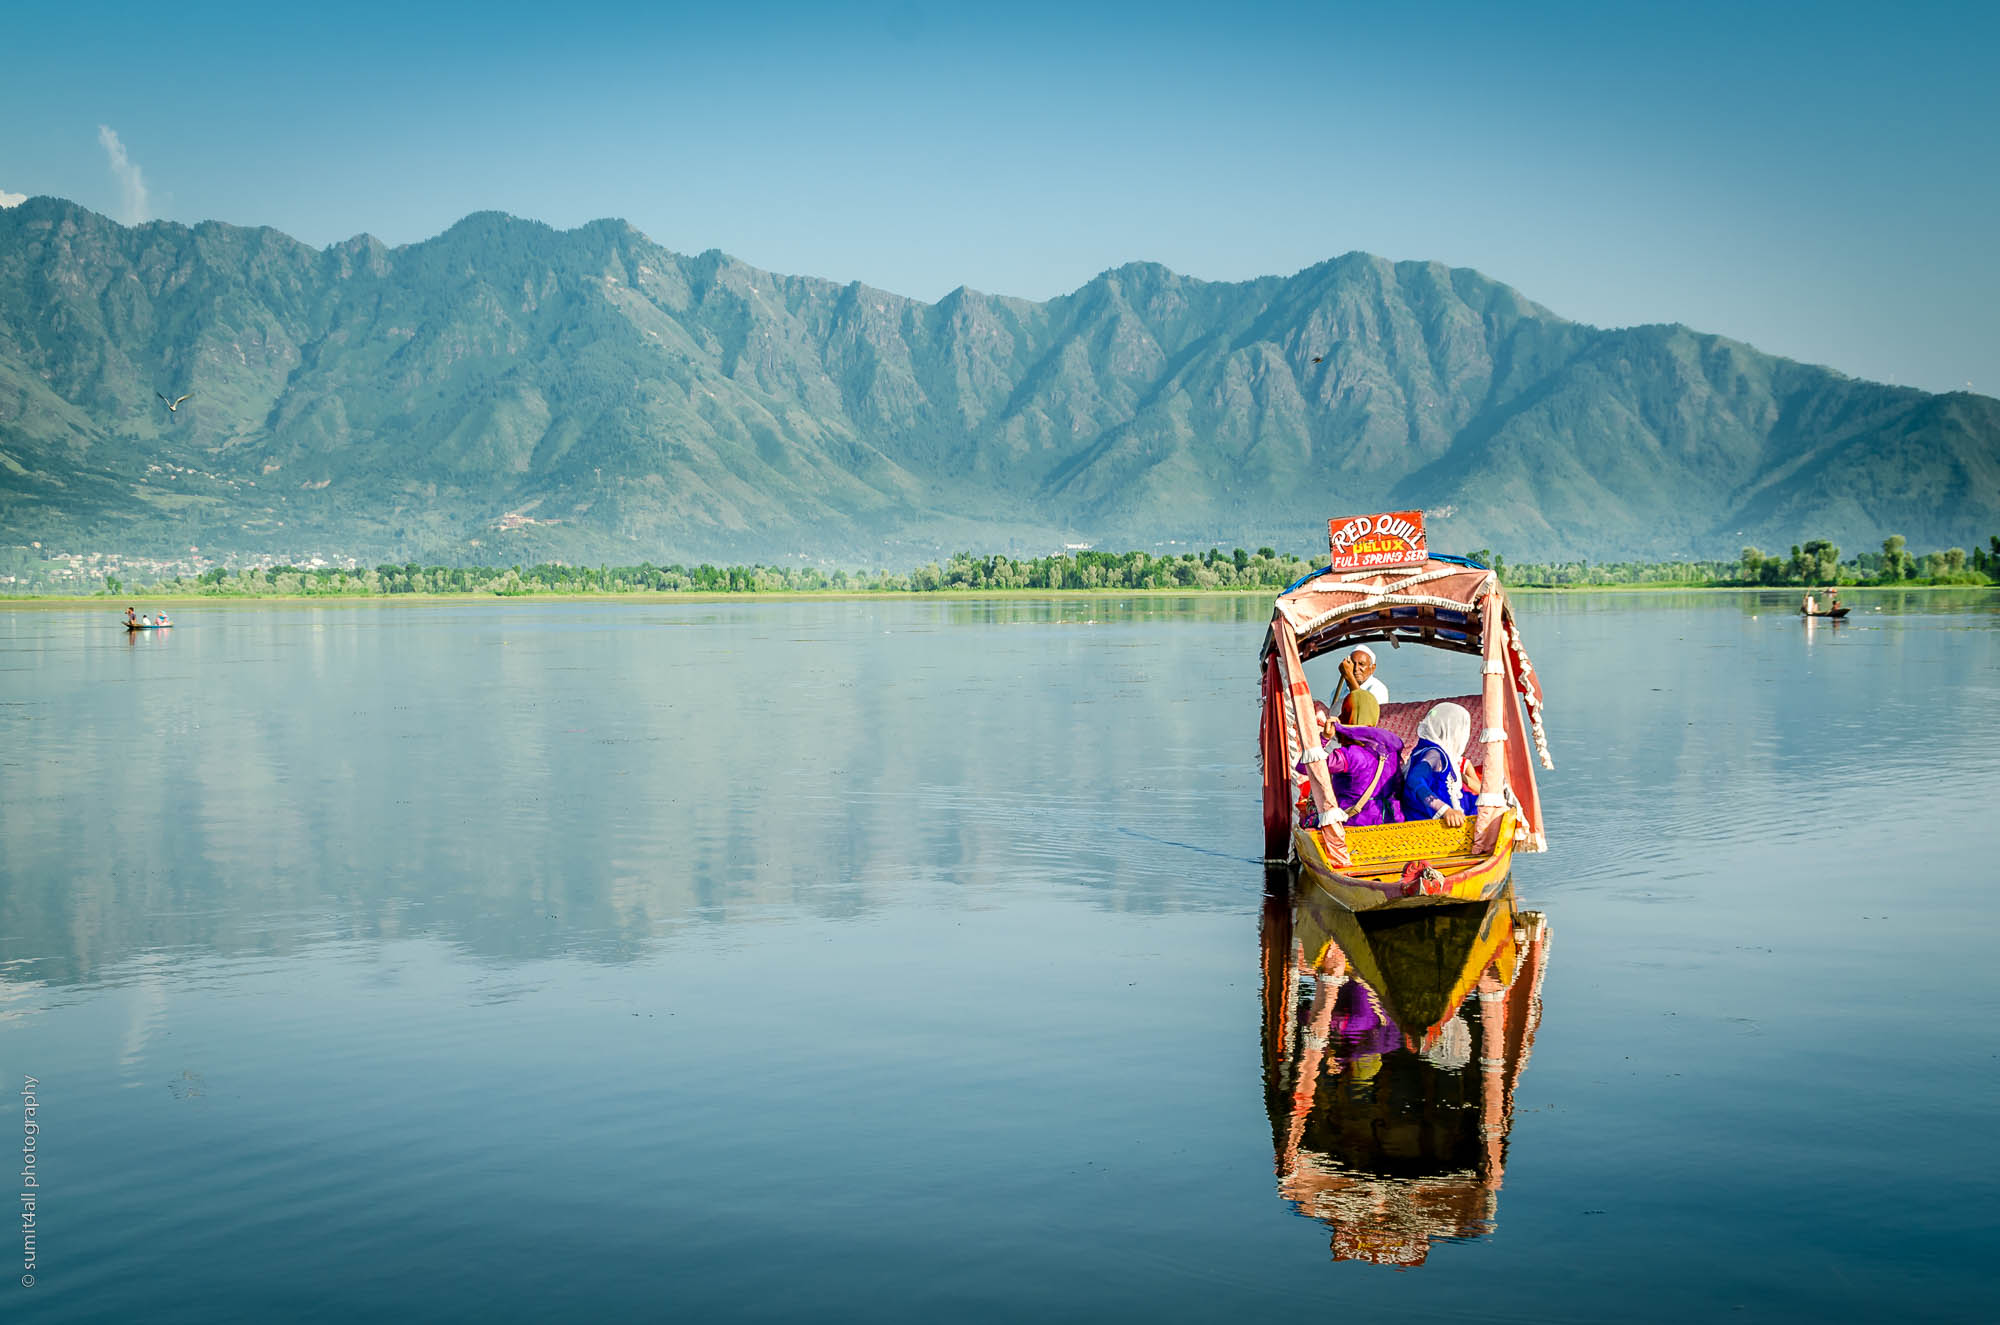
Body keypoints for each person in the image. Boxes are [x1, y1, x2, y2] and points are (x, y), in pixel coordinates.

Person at [1297, 703, 1404, 828]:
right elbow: (1399, 788)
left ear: (1347, 720)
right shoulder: (1391, 753)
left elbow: (1305, 767)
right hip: (1390, 821)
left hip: (1353, 823)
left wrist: (1324, 738)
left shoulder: (1350, 755)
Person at [1401, 702, 1479, 827]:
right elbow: (1414, 781)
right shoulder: (1434, 754)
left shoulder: (1421, 751)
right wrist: (1445, 810)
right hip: (1433, 825)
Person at [1337, 644, 1389, 724]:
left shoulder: (1378, 689)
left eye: (1361, 664)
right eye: (1353, 664)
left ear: (1373, 668)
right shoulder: (1342, 688)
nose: (1356, 668)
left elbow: (1365, 716)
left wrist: (1349, 677)